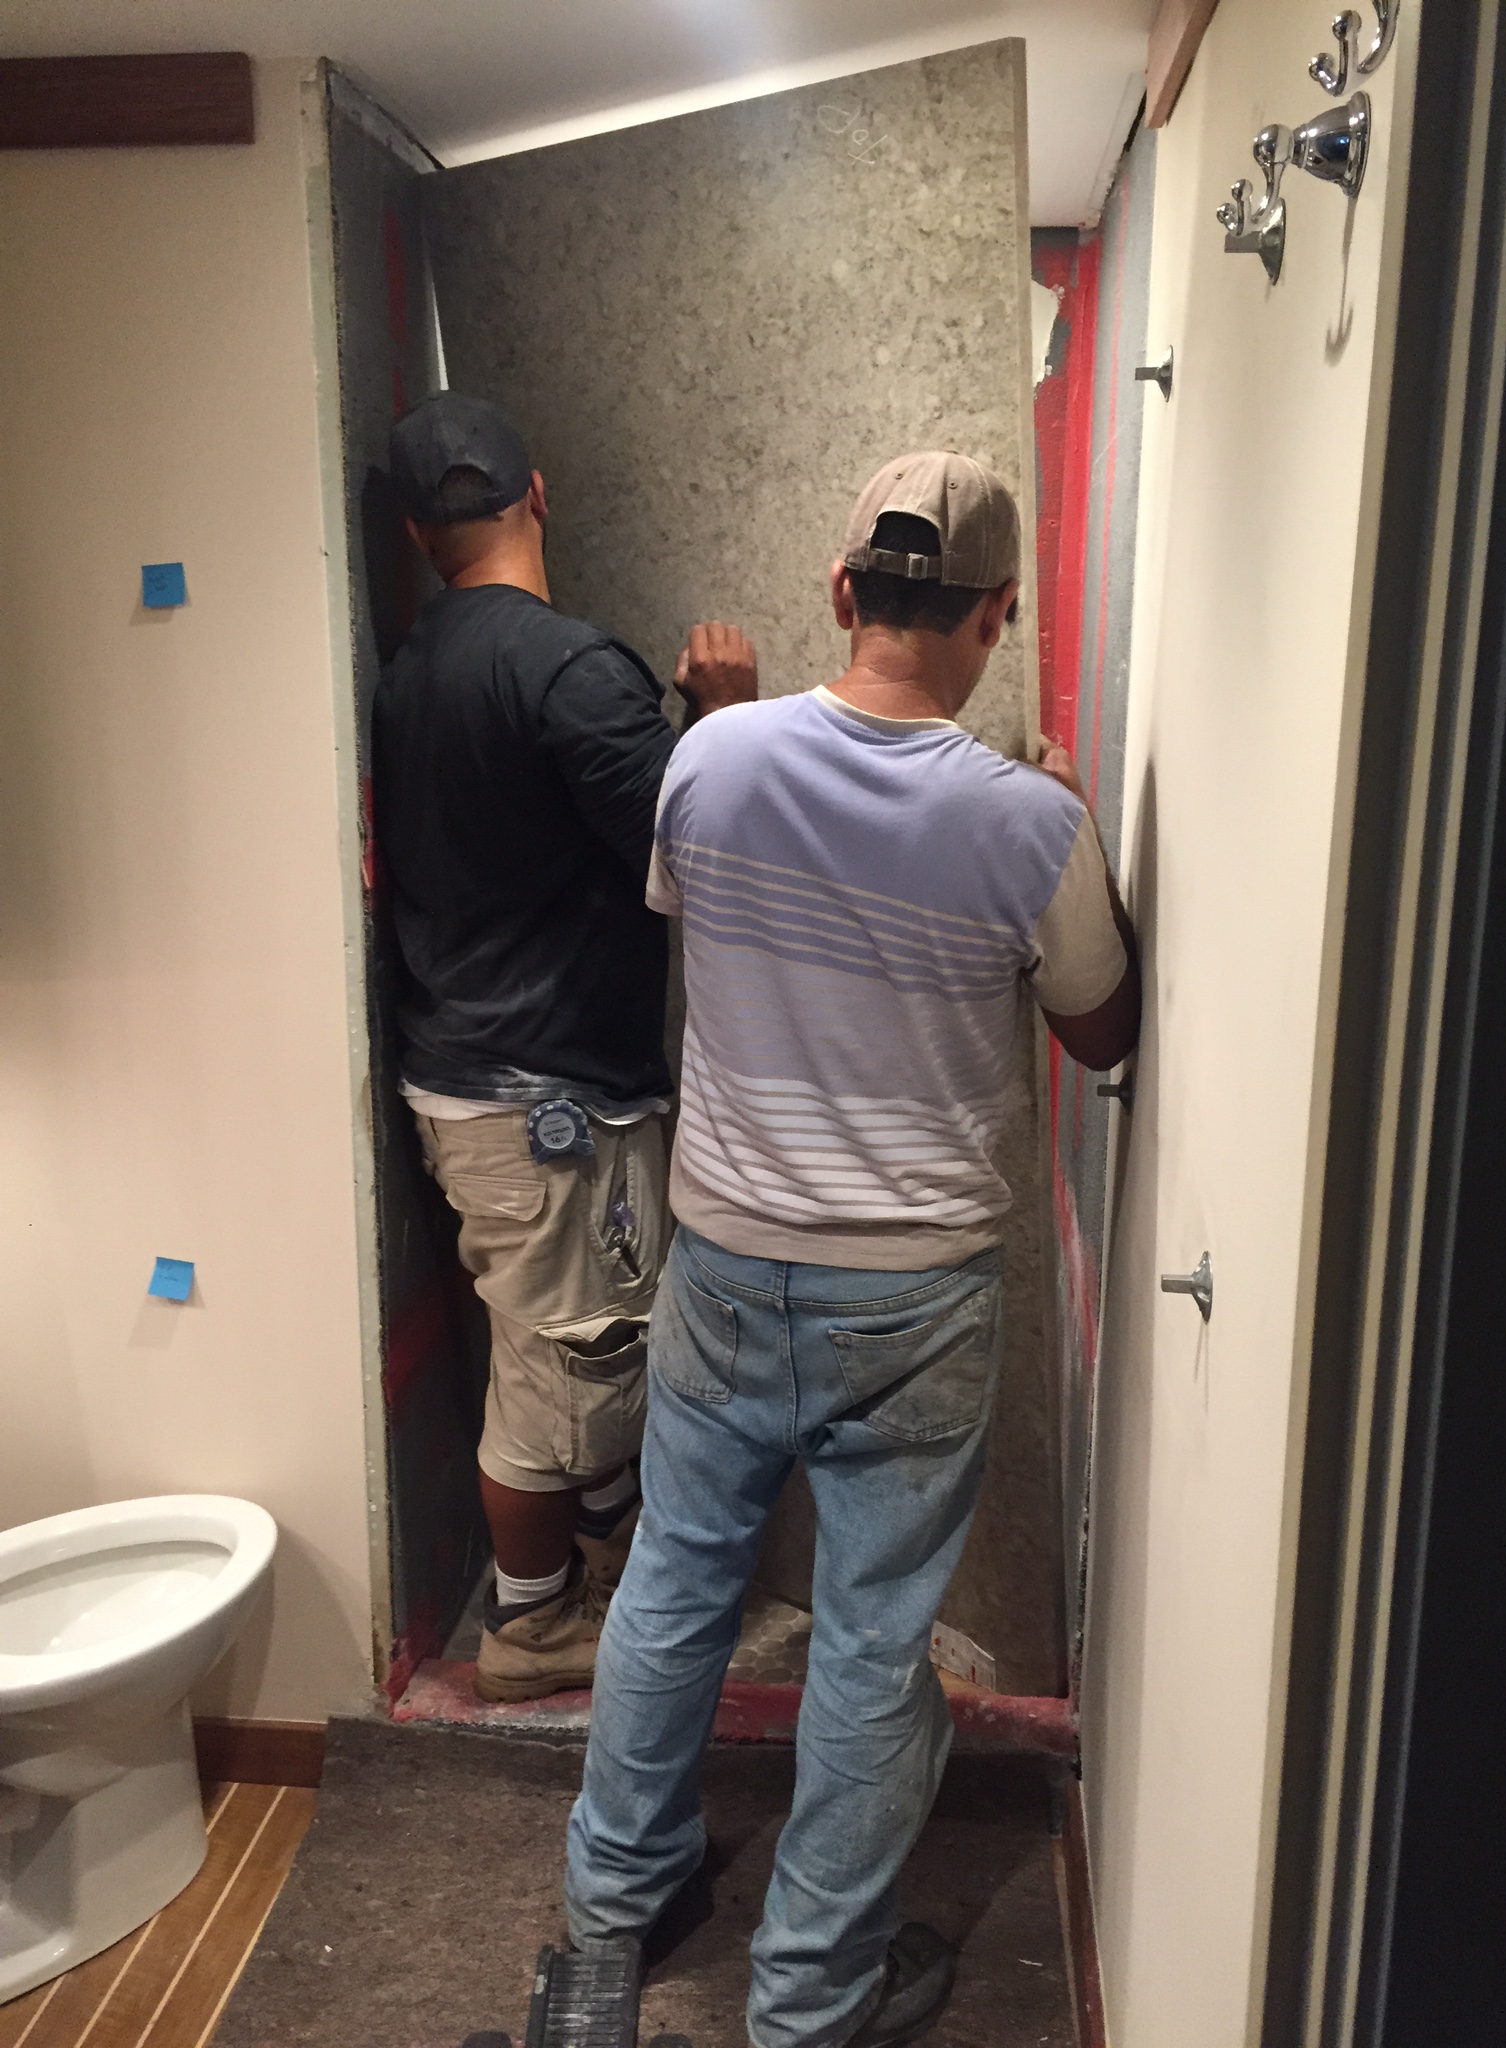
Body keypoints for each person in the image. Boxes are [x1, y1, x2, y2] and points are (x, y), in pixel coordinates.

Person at [562, 451, 1140, 2048]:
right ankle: (811, 1998)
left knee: (676, 1581)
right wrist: (1074, 835)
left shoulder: (709, 762)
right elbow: (1103, 1032)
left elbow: (711, 925)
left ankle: (616, 1909)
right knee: (875, 1644)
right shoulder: (1029, 824)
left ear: (840, 591)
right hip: (913, 1293)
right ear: (995, 617)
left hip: (725, 1262)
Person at [372, 392, 756, 1705]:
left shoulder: (409, 673)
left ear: (418, 534)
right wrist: (721, 718)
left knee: (565, 1354)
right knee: (564, 1372)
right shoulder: (567, 668)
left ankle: (580, 1586)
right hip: (548, 1098)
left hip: (475, 1070)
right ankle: (534, 1628)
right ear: (538, 496)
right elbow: (701, 858)